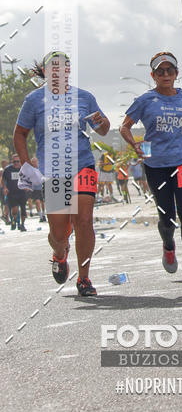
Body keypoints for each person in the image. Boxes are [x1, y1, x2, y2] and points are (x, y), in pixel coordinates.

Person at [13, 50, 110, 295]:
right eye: (52, 66)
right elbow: (20, 134)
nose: (58, 69)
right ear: (45, 72)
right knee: (59, 231)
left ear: (68, 70)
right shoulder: (34, 100)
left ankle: (84, 279)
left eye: (63, 66)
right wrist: (26, 165)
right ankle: (59, 254)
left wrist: (101, 121)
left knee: (84, 220)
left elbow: (103, 129)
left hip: (83, 164)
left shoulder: (84, 97)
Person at [120, 52, 182, 284]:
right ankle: (168, 244)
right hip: (156, 164)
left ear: (176, 74)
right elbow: (124, 127)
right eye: (160, 72)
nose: (165, 75)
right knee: (167, 216)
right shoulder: (145, 100)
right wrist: (134, 145)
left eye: (169, 71)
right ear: (153, 75)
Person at [2, 154, 28, 231]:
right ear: (11, 161)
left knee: (23, 210)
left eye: (17, 161)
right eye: (14, 162)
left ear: (20, 162)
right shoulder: (7, 169)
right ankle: (14, 219)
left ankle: (22, 225)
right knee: (15, 210)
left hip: (22, 192)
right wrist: (5, 188)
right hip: (12, 193)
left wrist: (27, 186)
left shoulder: (24, 169)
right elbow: (3, 180)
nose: (16, 163)